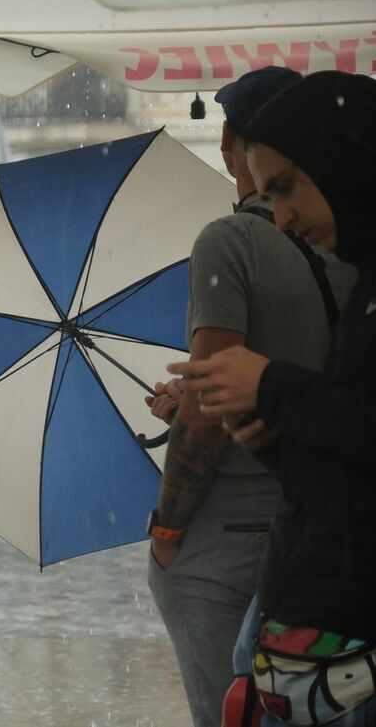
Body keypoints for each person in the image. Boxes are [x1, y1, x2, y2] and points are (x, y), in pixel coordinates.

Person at [142, 67, 356, 727]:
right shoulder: (351, 254)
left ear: (233, 137)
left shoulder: (229, 242)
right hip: (319, 534)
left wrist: (169, 532)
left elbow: (207, 420)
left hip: (227, 540)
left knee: (229, 714)